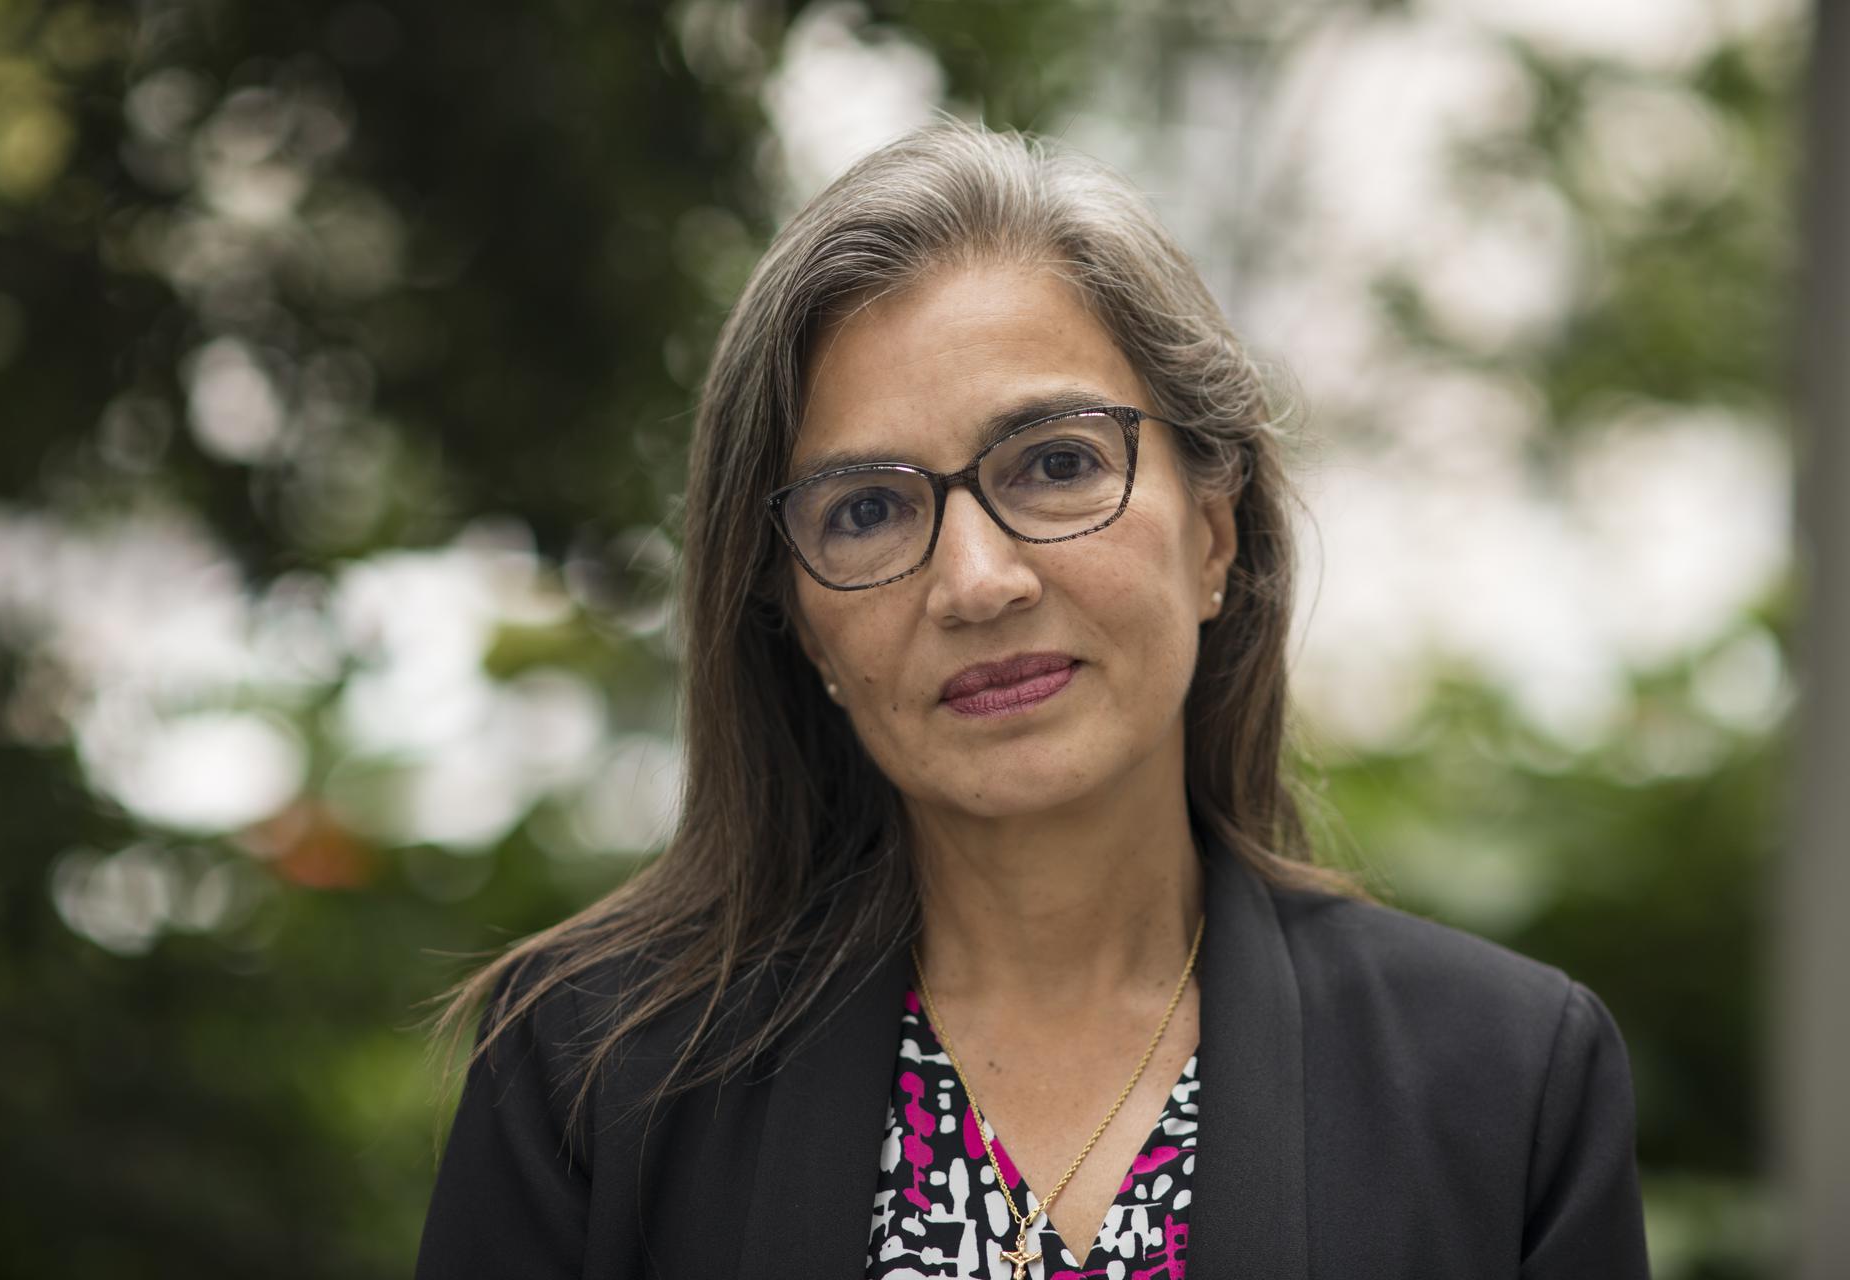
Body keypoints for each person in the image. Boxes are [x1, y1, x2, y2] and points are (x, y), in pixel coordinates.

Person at [413, 120, 1650, 1280]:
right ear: (798, 620)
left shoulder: (1506, 1079)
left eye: (1056, 464)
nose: (977, 580)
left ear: (1213, 533)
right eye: (867, 509)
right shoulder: (592, 1077)